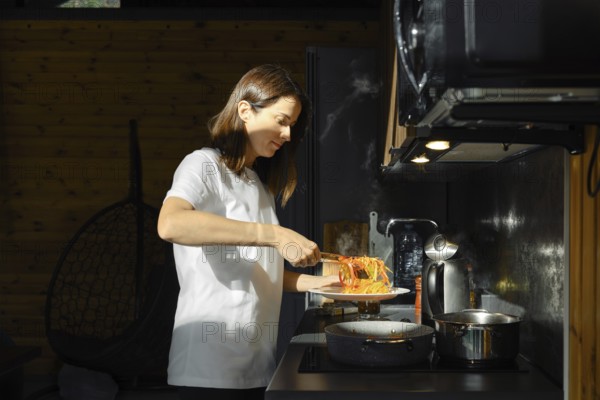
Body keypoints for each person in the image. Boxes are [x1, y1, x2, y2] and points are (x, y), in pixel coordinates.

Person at [157, 64, 339, 400]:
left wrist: (321, 284)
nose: (287, 135)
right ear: (245, 111)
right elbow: (170, 224)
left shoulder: (259, 184)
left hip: (257, 366)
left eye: (292, 125)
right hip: (207, 370)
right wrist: (274, 235)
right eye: (282, 121)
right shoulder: (203, 164)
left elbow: (259, 269)